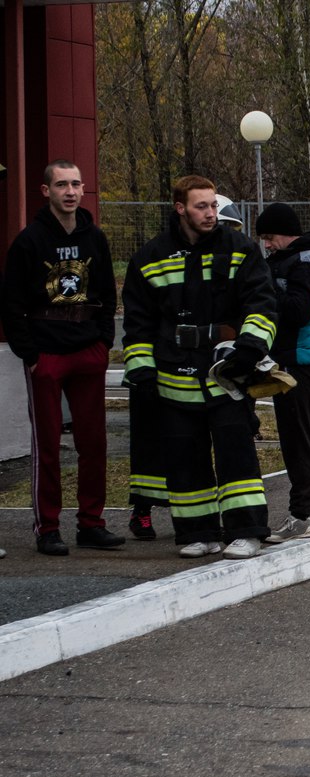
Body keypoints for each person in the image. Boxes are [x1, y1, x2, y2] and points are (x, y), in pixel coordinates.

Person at [121, 175, 278, 558]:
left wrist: (251, 346)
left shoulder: (240, 250)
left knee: (235, 451)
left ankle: (247, 531)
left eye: (213, 205)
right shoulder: (149, 258)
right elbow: (138, 321)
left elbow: (262, 304)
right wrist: (140, 368)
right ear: (180, 209)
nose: (211, 214)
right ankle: (198, 531)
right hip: (174, 373)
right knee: (184, 455)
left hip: (225, 371)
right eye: (201, 207)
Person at [1, 160, 125, 556]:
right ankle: (47, 527)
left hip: (88, 348)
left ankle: (92, 523)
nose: (70, 192)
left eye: (76, 184)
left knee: (94, 442)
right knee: (48, 445)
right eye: (61, 185)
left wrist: (104, 342)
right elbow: (11, 303)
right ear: (46, 191)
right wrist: (30, 354)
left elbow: (107, 293)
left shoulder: (95, 239)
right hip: (47, 353)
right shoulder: (29, 241)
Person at [253, 202, 310, 542]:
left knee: (297, 440)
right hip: (309, 361)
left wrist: (267, 291)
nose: (268, 245)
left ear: (287, 233)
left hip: (297, 364)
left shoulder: (302, 265)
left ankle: (300, 514)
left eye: (270, 238)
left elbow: (297, 311)